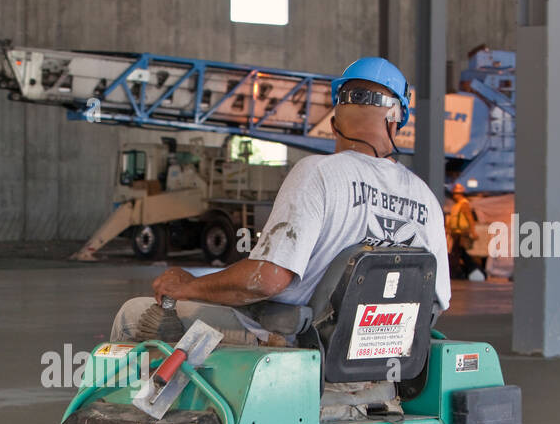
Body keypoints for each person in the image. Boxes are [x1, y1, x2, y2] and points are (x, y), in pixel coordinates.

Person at [110, 57, 450, 345]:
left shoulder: (318, 173)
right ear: (397, 120)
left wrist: (190, 286)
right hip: (381, 359)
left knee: (132, 315)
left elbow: (267, 280)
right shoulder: (427, 199)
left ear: (334, 123)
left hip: (299, 347)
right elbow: (436, 301)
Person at [445, 183, 480, 279]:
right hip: (456, 233)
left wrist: (473, 232)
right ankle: (461, 271)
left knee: (459, 253)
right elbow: (453, 219)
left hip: (462, 233)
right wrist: (448, 230)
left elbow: (470, 218)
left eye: (455, 193)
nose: (454, 196)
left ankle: (467, 271)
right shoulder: (457, 205)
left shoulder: (464, 204)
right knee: (458, 253)